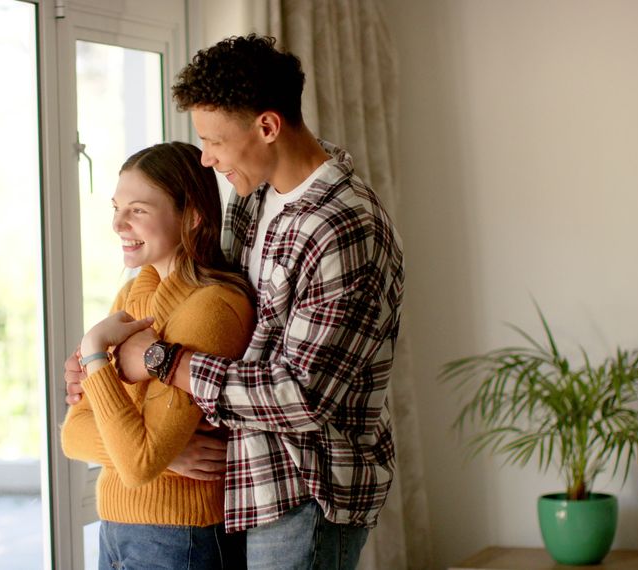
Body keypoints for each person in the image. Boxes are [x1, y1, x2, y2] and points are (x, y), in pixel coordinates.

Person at [110, 34, 405, 569]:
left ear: (267, 127)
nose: (206, 157)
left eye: (214, 141)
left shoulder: (342, 228)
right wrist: (103, 363)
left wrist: (161, 361)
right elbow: (221, 315)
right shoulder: (254, 197)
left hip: (307, 488)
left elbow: (301, 394)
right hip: (250, 482)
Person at [59, 141, 255, 570]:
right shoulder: (134, 292)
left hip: (180, 537)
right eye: (116, 207)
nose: (117, 223)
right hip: (116, 526)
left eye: (138, 210)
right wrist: (171, 457)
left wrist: (94, 353)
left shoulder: (212, 307)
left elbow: (138, 461)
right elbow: (73, 435)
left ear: (192, 216)